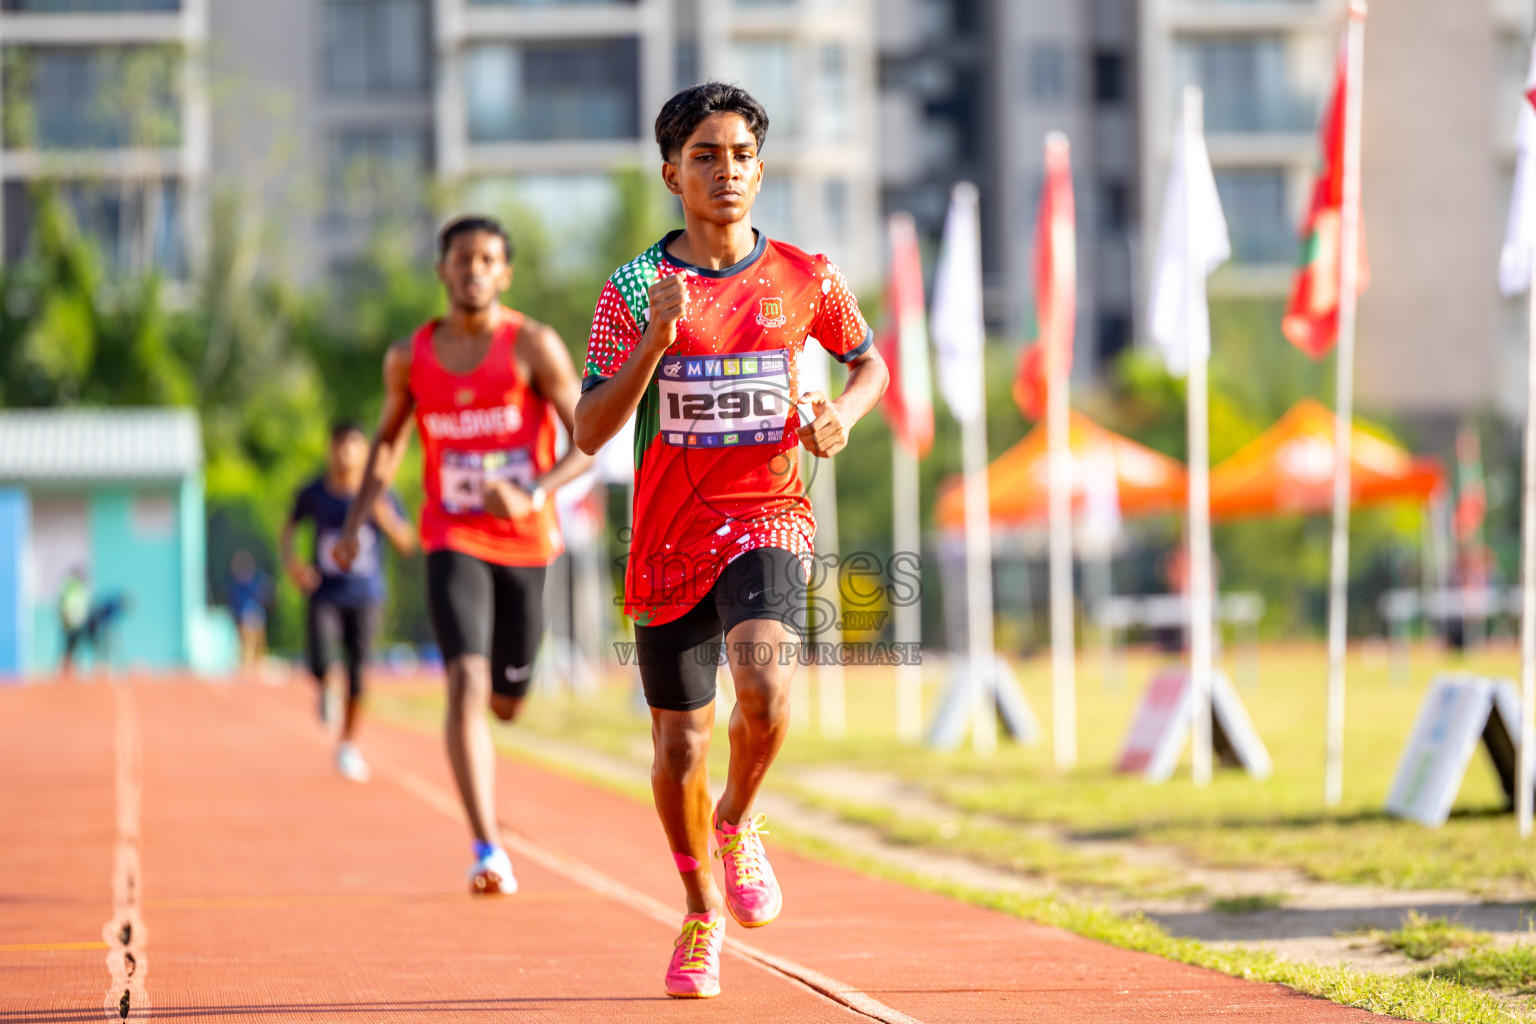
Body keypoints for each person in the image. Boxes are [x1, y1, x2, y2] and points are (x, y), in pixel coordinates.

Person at [573, 82, 888, 999]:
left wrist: (843, 415)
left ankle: (739, 819)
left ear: (761, 166)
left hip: (769, 514)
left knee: (766, 686)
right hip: (669, 535)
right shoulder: (634, 288)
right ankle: (701, 911)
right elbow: (590, 432)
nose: (726, 171)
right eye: (705, 156)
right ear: (672, 171)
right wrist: (654, 344)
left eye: (742, 154)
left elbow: (867, 361)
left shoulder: (805, 275)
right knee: (679, 747)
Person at [332, 215, 591, 891]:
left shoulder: (533, 346)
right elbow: (387, 443)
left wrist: (534, 490)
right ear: (442, 271)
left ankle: (506, 711)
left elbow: (587, 439)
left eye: (487, 260)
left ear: (504, 273)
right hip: (452, 534)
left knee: (506, 699)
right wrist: (357, 521)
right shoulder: (409, 357)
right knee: (466, 683)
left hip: (526, 542)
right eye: (462, 259)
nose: (474, 270)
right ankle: (486, 847)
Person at [281, 421, 417, 782]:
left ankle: (347, 745)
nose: (345, 454)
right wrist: (294, 565)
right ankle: (326, 685)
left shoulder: (381, 493)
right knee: (320, 660)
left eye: (353, 446)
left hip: (366, 595)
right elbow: (289, 529)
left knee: (359, 674)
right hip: (325, 591)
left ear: (365, 451)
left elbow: (407, 544)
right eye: (339, 446)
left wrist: (384, 518)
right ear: (330, 450)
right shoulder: (314, 493)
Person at [226, 550, 272, 672]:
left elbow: (265, 596)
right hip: (244, 620)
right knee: (247, 646)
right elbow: (233, 603)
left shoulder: (256, 581)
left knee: (258, 648)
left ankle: (257, 667)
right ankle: (246, 668)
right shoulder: (235, 586)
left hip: (257, 618)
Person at [58, 567, 91, 677]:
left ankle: (71, 668)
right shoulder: (71, 586)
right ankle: (66, 669)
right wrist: (67, 617)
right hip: (71, 621)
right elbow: (67, 603)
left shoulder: (79, 587)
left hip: (78, 621)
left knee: (74, 646)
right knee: (70, 645)